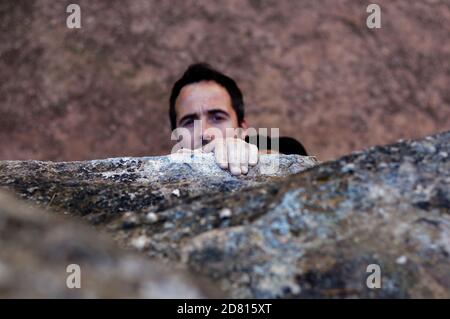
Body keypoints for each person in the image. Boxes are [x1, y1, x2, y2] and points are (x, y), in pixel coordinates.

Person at [169, 63, 307, 176]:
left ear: (243, 129)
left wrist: (253, 158)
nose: (205, 133)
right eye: (189, 122)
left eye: (217, 118)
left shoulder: (284, 147)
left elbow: (293, 163)